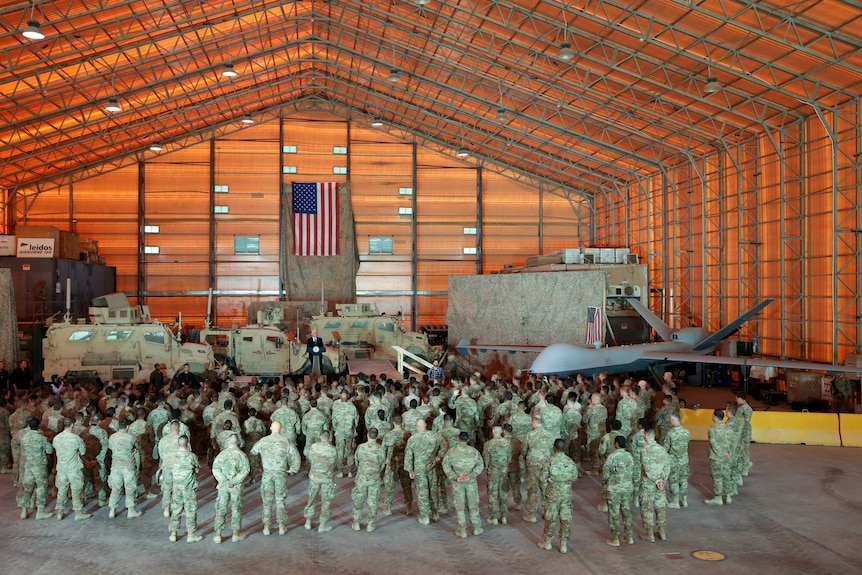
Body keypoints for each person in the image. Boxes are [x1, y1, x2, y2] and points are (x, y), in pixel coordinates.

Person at [251, 421, 301, 535]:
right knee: (280, 501)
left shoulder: (263, 441)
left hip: (267, 474)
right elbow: (296, 457)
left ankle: (267, 528)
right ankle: (281, 527)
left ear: (270, 428)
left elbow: (252, 453)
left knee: (267, 501)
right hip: (281, 475)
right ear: (281, 429)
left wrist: (257, 467)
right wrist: (292, 470)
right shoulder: (286, 441)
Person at [537, 438, 578, 554]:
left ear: (554, 448)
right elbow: (574, 477)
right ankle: (563, 544)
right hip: (566, 495)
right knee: (565, 519)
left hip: (552, 495)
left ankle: (547, 543)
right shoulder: (570, 462)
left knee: (550, 518)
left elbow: (542, 478)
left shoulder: (549, 461)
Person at [442, 431, 484, 538]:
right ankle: (477, 528)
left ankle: (462, 530)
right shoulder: (474, 451)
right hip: (471, 482)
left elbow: (445, 466)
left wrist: (456, 477)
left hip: (458, 483)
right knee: (473, 505)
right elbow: (480, 465)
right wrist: (472, 475)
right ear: (468, 440)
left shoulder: (451, 452)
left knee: (459, 507)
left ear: (458, 439)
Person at [212, 433, 250, 543]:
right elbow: (245, 471)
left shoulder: (221, 455)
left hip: (223, 487)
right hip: (236, 487)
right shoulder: (242, 455)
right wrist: (233, 481)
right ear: (238, 442)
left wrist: (224, 481)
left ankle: (218, 534)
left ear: (228, 442)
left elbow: (215, 469)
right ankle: (235, 534)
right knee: (236, 509)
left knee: (221, 509)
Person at [404, 418, 442, 525]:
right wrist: (438, 457)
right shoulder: (435, 435)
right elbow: (444, 447)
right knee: (433, 490)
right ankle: (435, 513)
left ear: (416, 427)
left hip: (419, 469)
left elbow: (408, 456)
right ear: (425, 425)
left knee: (422, 492)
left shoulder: (412, 439)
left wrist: (410, 470)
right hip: (432, 467)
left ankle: (425, 517)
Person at [52, 418, 91, 521]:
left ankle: (60, 512)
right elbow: (82, 452)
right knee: (76, 491)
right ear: (72, 425)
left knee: (61, 490)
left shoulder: (56, 438)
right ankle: (78, 513)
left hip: (61, 469)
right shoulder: (76, 438)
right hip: (74, 469)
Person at [17, 418, 54, 520]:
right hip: (39, 466)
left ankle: (24, 511)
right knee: (41, 487)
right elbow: (49, 450)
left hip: (28, 466)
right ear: (38, 426)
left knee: (28, 488)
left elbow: (22, 451)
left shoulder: (24, 438)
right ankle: (40, 512)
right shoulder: (42, 438)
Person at [522, 415, 556, 523]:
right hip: (546, 464)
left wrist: (526, 458)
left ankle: (532, 514)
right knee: (545, 488)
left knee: (532, 489)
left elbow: (524, 450)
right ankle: (547, 512)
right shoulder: (550, 435)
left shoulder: (530, 435)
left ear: (533, 422)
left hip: (533, 465)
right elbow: (552, 450)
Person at [351, 428, 386, 532]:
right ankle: (370, 524)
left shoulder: (361, 447)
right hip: (374, 478)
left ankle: (356, 523)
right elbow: (382, 464)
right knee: (373, 501)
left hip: (362, 478)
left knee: (359, 499)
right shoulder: (380, 449)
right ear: (377, 436)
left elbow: (356, 461)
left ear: (368, 435)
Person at [638, 428, 670, 542]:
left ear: (645, 436)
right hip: (660, 485)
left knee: (647, 508)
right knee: (660, 507)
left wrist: (655, 480)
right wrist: (662, 480)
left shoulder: (644, 450)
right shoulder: (662, 449)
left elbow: (646, 468)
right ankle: (662, 532)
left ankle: (650, 534)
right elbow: (667, 466)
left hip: (648, 485)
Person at [169, 435, 202, 542]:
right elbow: (197, 469)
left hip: (176, 486)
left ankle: (173, 533)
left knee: (176, 509)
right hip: (188, 487)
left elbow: (169, 469)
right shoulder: (191, 456)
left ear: (178, 443)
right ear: (187, 444)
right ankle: (191, 535)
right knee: (190, 509)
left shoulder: (172, 456)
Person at [603, 435, 635, 546]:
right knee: (626, 511)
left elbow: (605, 474)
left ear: (616, 444)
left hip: (614, 489)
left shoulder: (612, 457)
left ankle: (615, 538)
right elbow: (633, 472)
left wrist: (606, 482)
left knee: (614, 513)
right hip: (627, 488)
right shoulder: (629, 456)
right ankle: (629, 536)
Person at [108, 418, 142, 519]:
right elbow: (136, 447)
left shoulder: (112, 437)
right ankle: (131, 511)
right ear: (127, 427)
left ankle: (112, 510)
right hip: (128, 466)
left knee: (115, 488)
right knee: (130, 488)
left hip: (115, 467)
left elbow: (110, 447)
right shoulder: (131, 437)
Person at [304, 430, 338, 533]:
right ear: (330, 438)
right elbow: (334, 463)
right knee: (326, 501)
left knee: (311, 498)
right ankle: (322, 526)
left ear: (320, 437)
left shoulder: (313, 447)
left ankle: (308, 522)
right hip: (327, 479)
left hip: (315, 477)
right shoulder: (333, 450)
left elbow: (310, 458)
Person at [382, 416, 413, 516]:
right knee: (406, 485)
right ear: (402, 423)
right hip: (404, 462)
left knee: (389, 485)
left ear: (393, 423)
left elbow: (383, 450)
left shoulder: (388, 435)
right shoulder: (407, 434)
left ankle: (388, 508)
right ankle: (409, 507)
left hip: (391, 462)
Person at [482, 425, 512, 525]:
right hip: (503, 471)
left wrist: (487, 468)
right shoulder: (507, 443)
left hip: (493, 471)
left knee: (493, 494)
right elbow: (509, 458)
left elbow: (486, 460)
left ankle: (493, 517)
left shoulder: (488, 444)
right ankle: (504, 517)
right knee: (503, 493)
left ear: (493, 432)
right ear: (501, 432)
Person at [705, 409, 733, 506]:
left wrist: (721, 454)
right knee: (727, 476)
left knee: (717, 477)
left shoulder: (712, 429)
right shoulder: (728, 428)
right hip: (727, 456)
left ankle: (718, 498)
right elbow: (732, 442)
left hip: (717, 457)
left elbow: (714, 444)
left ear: (715, 417)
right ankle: (728, 496)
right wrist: (729, 453)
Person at [664, 413, 691, 509]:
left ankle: (675, 501)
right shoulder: (687, 432)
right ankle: (684, 500)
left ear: (673, 421)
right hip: (684, 460)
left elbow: (666, 447)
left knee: (674, 480)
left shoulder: (670, 433)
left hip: (673, 460)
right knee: (683, 480)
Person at [157, 421, 183, 517]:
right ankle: (177, 508)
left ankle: (166, 510)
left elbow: (161, 454)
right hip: (178, 468)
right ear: (179, 428)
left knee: (167, 488)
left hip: (167, 467)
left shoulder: (163, 440)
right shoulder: (181, 440)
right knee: (178, 488)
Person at [332, 390, 359, 477]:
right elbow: (356, 421)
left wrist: (336, 429)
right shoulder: (352, 407)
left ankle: (340, 472)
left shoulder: (336, 408)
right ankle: (350, 471)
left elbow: (334, 422)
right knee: (350, 451)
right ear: (348, 397)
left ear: (340, 397)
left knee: (340, 452)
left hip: (339, 432)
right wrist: (353, 428)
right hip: (349, 432)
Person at [583, 393, 608, 473]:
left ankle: (595, 468)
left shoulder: (592, 409)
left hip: (593, 432)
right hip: (602, 431)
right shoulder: (604, 408)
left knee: (594, 451)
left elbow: (585, 420)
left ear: (593, 400)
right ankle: (602, 466)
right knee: (601, 449)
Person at [735, 392, 754, 475]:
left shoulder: (741, 409)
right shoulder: (749, 408)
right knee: (745, 450)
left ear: (740, 398)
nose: (736, 401)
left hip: (743, 432)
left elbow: (742, 422)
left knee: (742, 451)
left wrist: (743, 435)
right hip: (747, 431)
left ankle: (745, 466)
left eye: (736, 399)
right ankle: (745, 466)